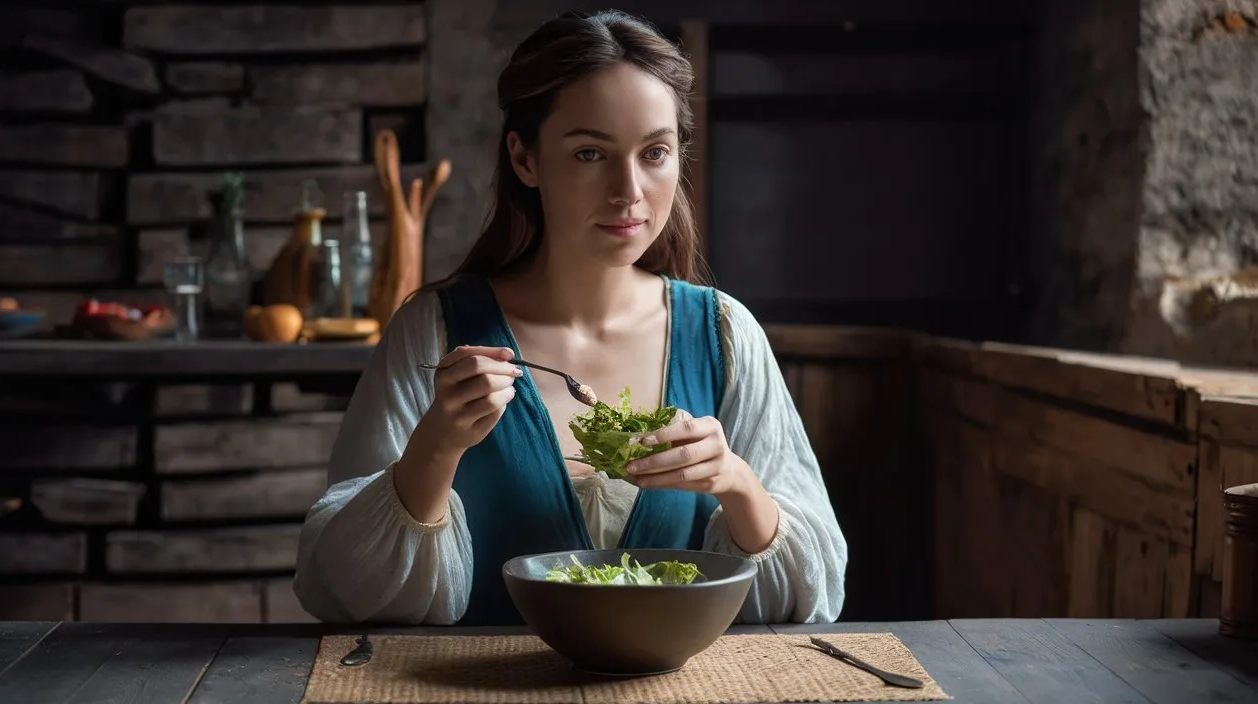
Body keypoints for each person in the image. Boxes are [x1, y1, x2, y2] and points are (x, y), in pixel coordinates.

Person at [293, 9, 847, 626]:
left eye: (655, 152)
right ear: (525, 160)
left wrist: (737, 482)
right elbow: (340, 589)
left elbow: (810, 599)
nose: (628, 190)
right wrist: (436, 446)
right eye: (590, 153)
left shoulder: (725, 333)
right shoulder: (434, 331)